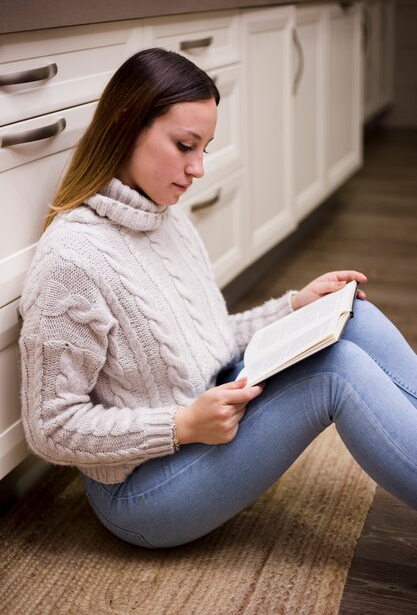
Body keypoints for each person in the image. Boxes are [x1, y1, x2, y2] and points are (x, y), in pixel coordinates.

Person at [19, 48, 417, 549]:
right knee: (336, 372)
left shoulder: (164, 213)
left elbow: (204, 341)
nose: (198, 168)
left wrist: (295, 306)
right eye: (185, 145)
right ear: (125, 124)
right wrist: (181, 424)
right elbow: (49, 426)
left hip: (206, 409)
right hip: (143, 491)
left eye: (205, 147)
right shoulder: (72, 261)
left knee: (351, 315)